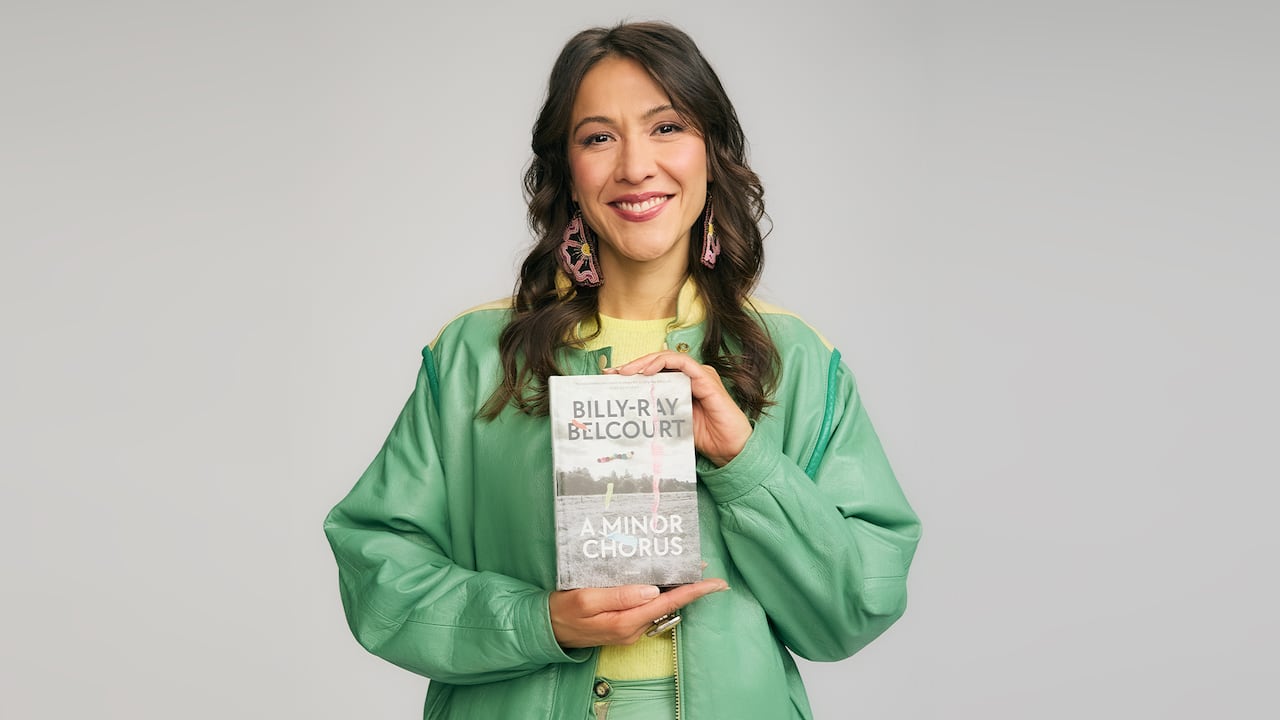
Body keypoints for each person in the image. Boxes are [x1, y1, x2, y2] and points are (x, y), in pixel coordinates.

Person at [324, 21, 920, 720]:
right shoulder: (475, 355)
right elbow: (377, 569)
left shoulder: (799, 362)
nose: (636, 166)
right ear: (567, 172)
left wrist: (744, 464)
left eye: (667, 127)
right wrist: (538, 621)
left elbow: (855, 607)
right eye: (599, 136)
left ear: (712, 153)